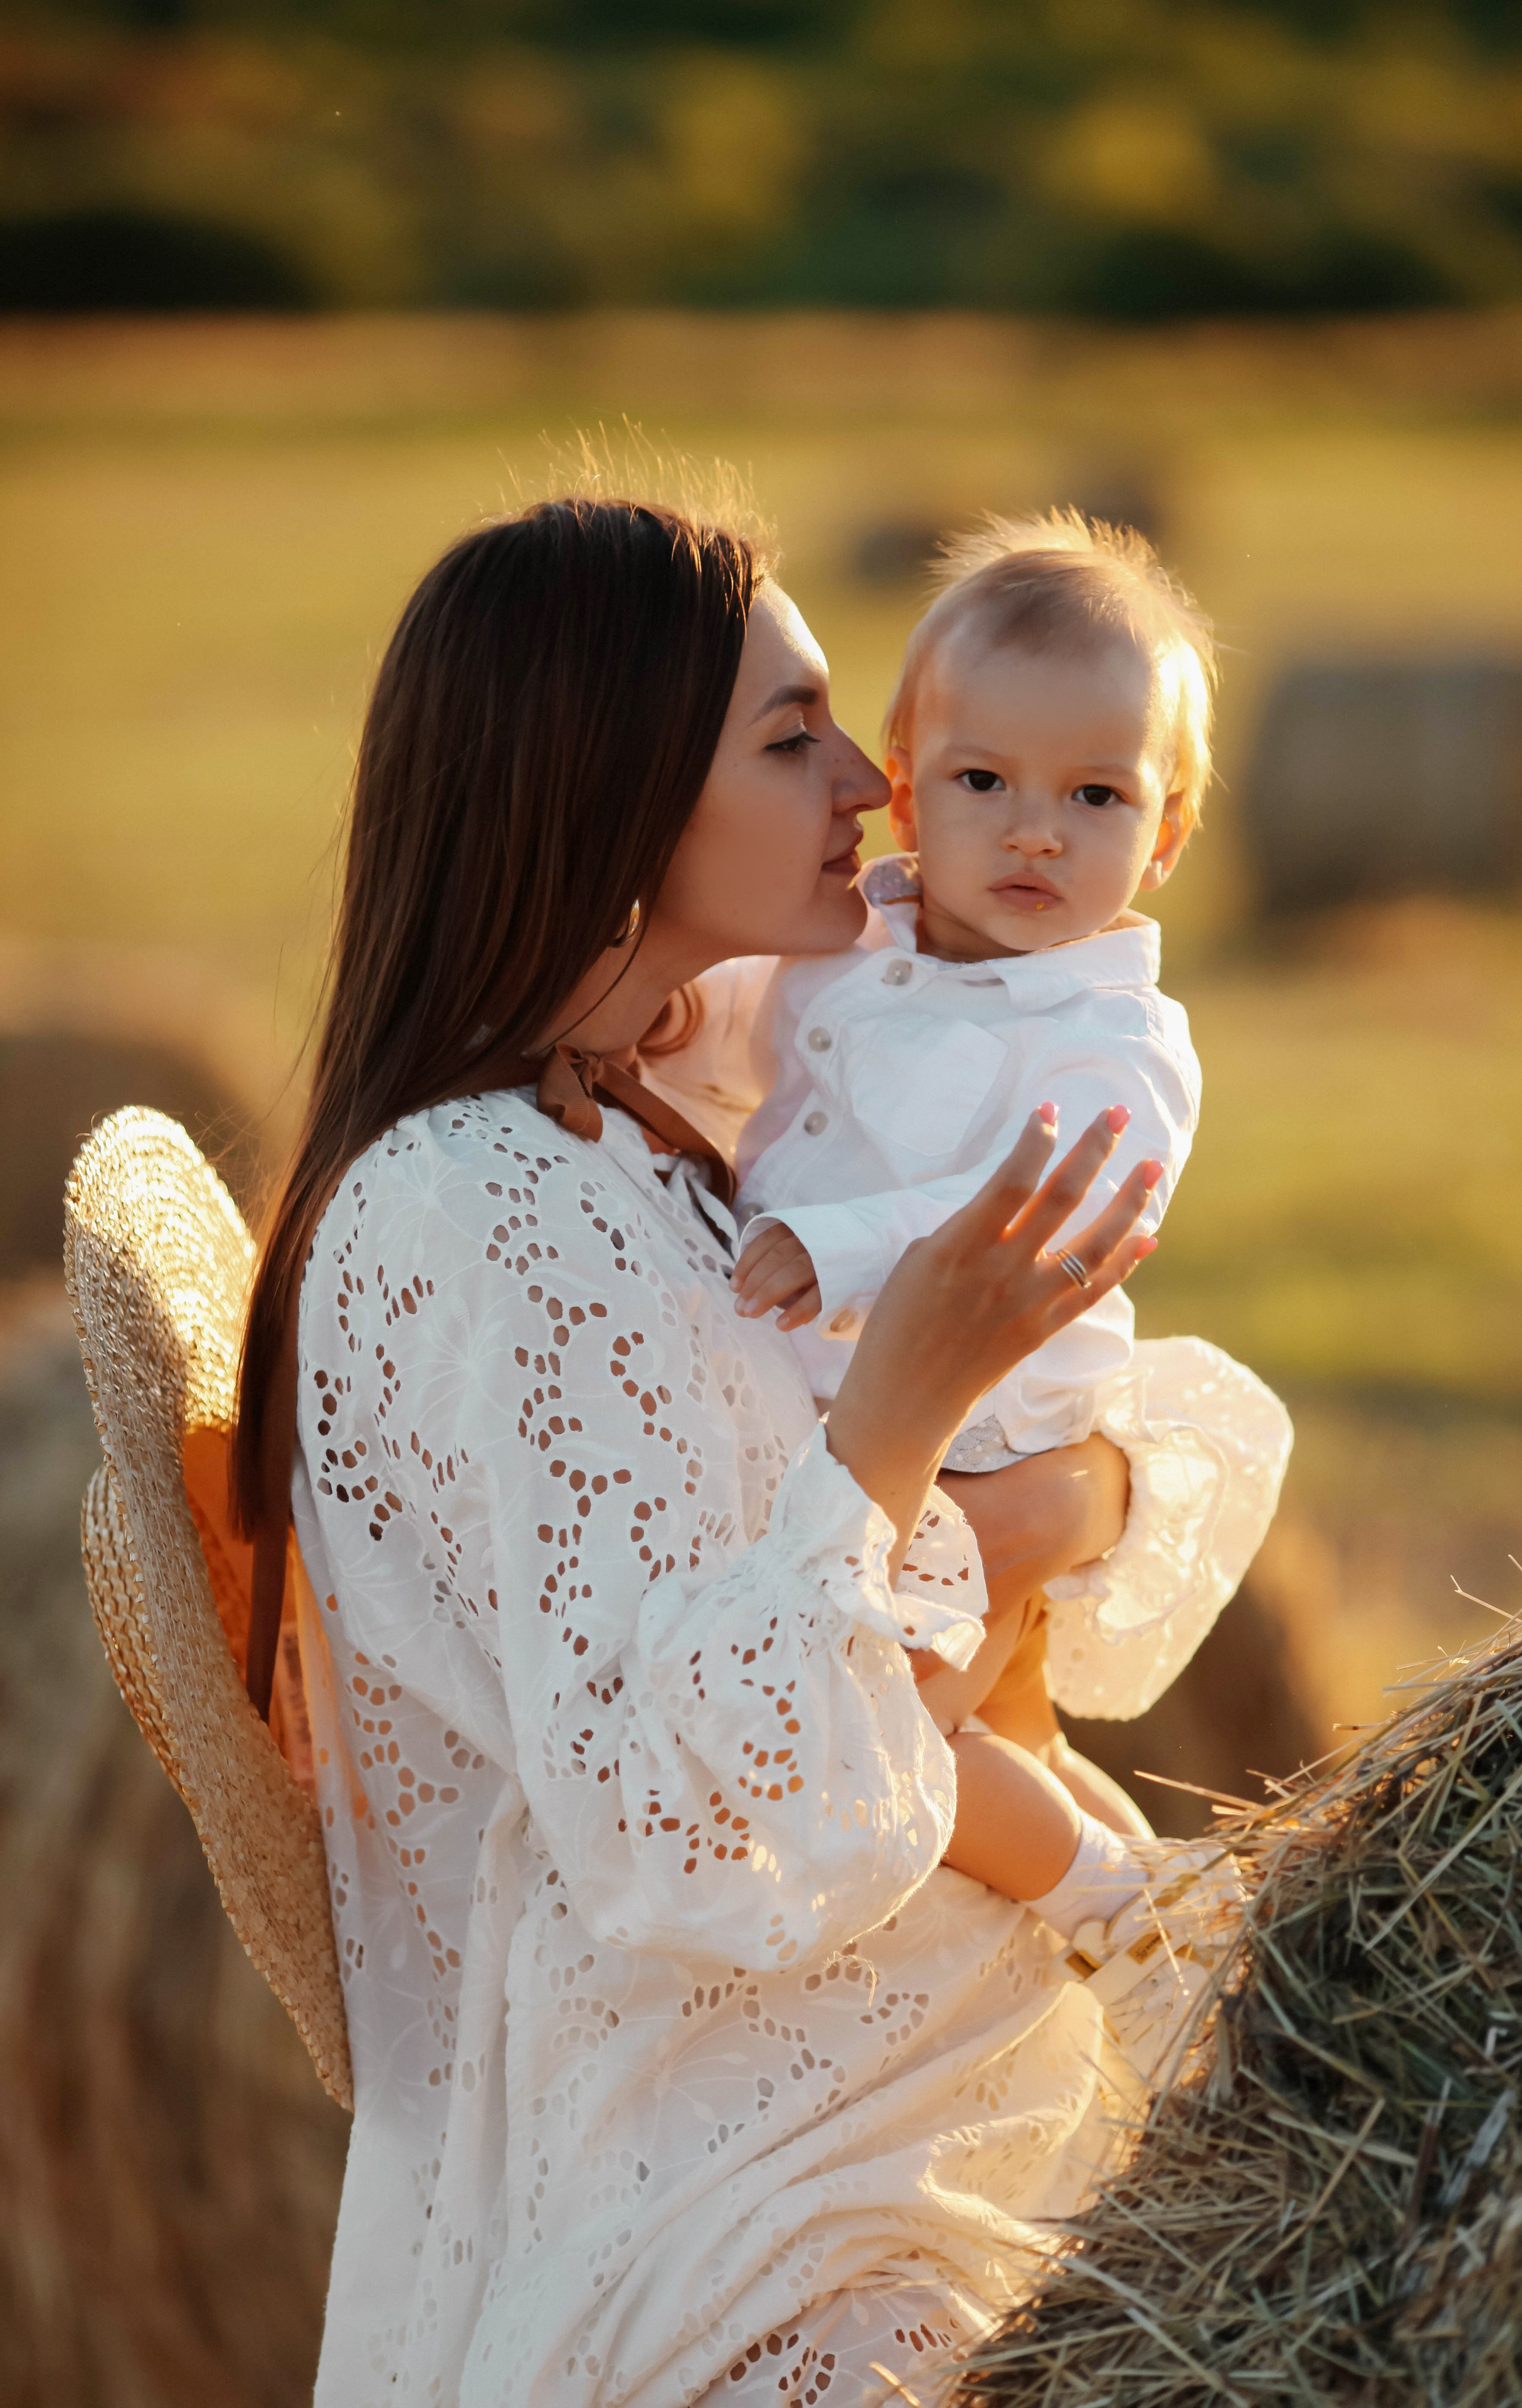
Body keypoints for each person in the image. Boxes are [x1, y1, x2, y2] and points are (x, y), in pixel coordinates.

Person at [233, 495, 1256, 2408]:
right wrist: (912, 1440)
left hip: (875, 2089)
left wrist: (1068, 1492)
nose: (878, 778)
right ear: (611, 797)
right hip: (727, 2189)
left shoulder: (640, 1110)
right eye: (795, 740)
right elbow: (694, 1824)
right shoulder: (470, 1216)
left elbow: (986, 1529)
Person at [717, 511, 1289, 1953]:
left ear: (1163, 837)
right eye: (985, 781)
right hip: (835, 1416)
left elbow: (1047, 1207)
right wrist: (676, 1013)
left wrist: (839, 1248)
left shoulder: (1108, 1039)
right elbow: (749, 1022)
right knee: (933, 1710)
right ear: (906, 797)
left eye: (1095, 797)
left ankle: (1120, 1905)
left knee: (883, 1707)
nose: (1036, 829)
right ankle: (1108, 1879)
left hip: (981, 1427)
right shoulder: (861, 941)